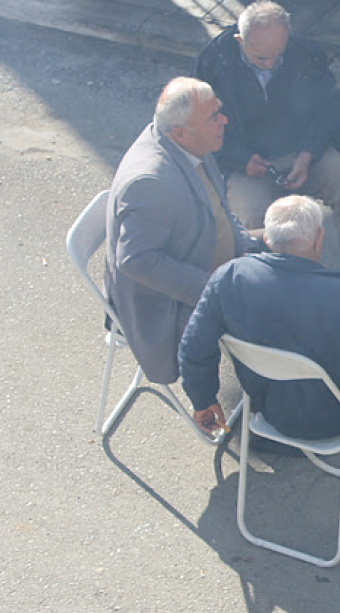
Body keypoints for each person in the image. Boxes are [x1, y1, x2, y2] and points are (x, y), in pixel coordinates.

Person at [178, 195, 340, 442]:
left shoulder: (228, 277)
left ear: (268, 240)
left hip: (272, 410)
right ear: (319, 238)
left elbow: (194, 346)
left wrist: (203, 400)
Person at [193, 0, 340, 270]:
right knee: (250, 219)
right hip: (247, 163)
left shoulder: (305, 53)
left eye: (277, 56)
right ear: (239, 40)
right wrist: (240, 160)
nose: (270, 65)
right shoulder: (213, 63)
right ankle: (269, 285)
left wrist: (307, 155)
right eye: (260, 59)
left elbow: (329, 109)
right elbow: (202, 125)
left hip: (304, 152)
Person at [105, 76, 260, 404]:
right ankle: (271, 409)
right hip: (171, 305)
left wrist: (251, 245)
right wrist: (212, 291)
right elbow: (136, 260)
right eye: (213, 117)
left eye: (219, 111)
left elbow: (218, 209)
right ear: (179, 133)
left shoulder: (195, 145)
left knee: (292, 244)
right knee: (274, 311)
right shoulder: (150, 182)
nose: (224, 121)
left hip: (214, 262)